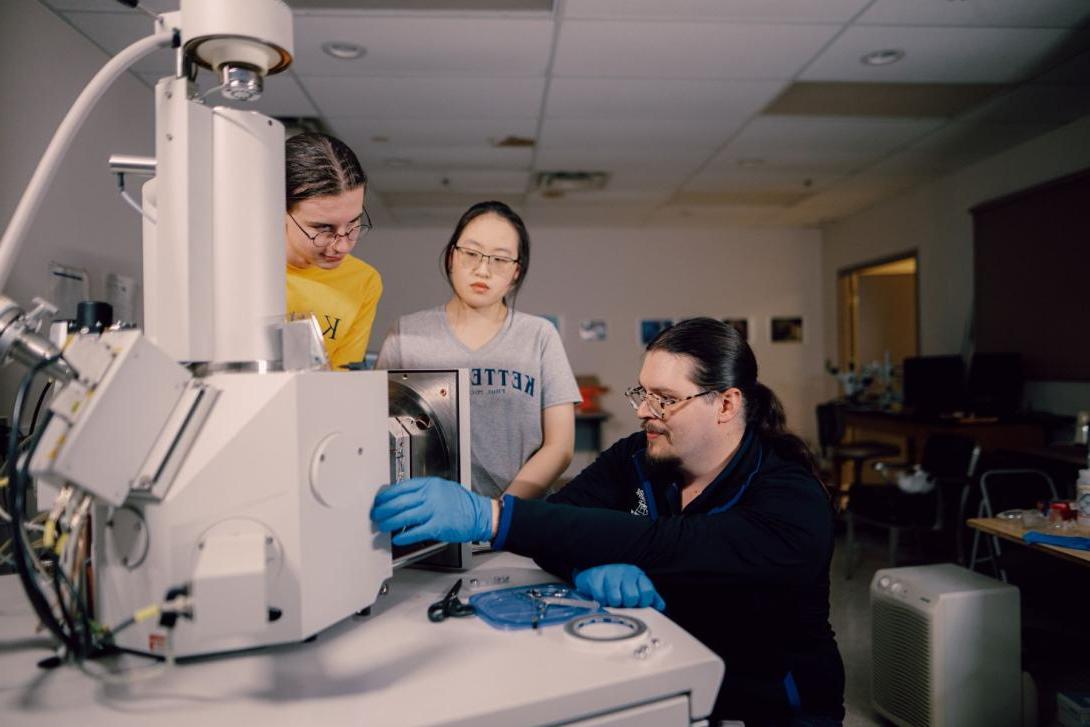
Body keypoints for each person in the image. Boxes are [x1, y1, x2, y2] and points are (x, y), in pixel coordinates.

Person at [372, 317, 845, 726]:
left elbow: (671, 544)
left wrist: (491, 517)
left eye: (665, 399)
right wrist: (583, 566)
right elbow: (564, 519)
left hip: (771, 704)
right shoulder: (639, 456)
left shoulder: (790, 501)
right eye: (643, 392)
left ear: (725, 405)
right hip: (668, 669)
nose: (642, 410)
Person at [375, 201, 580, 499]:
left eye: (500, 259)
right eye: (471, 254)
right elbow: (379, 431)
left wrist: (500, 511)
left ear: (515, 273)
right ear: (450, 257)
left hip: (517, 523)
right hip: (429, 519)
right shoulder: (407, 334)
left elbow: (560, 447)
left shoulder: (539, 336)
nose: (483, 269)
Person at [285, 132, 382, 370]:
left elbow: (339, 381)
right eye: (323, 228)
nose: (343, 245)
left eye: (353, 224)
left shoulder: (364, 282)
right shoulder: (234, 268)